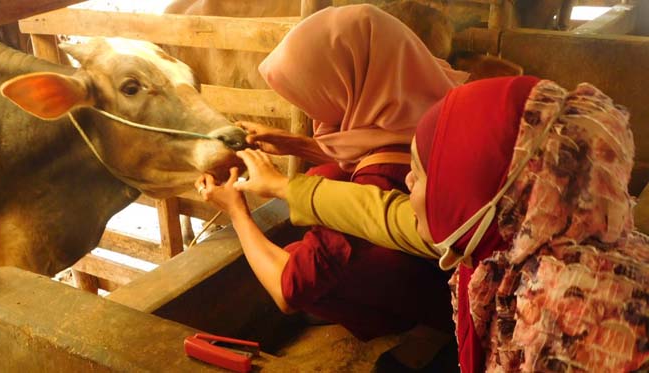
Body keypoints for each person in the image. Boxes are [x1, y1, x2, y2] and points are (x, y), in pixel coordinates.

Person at [229, 75, 645, 372]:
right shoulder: (529, 229)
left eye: (424, 173)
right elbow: (391, 216)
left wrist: (237, 209)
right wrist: (288, 181)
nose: (407, 183)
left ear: (470, 190)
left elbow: (294, 286)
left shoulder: (561, 319)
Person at [195, 4, 468, 371]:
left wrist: (236, 210)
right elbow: (375, 149)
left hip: (439, 304)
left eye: (316, 97)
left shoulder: (378, 179)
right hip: (441, 273)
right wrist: (296, 144)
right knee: (325, 172)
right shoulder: (428, 109)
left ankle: (405, 323)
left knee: (295, 252)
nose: (313, 116)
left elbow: (286, 292)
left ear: (349, 85)